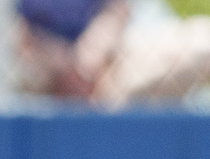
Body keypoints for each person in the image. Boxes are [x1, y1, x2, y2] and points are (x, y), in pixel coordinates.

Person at [18, 0, 210, 105]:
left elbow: (117, 10)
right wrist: (63, 65)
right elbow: (23, 38)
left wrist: (90, 57)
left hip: (108, 68)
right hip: (48, 82)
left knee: (203, 41)